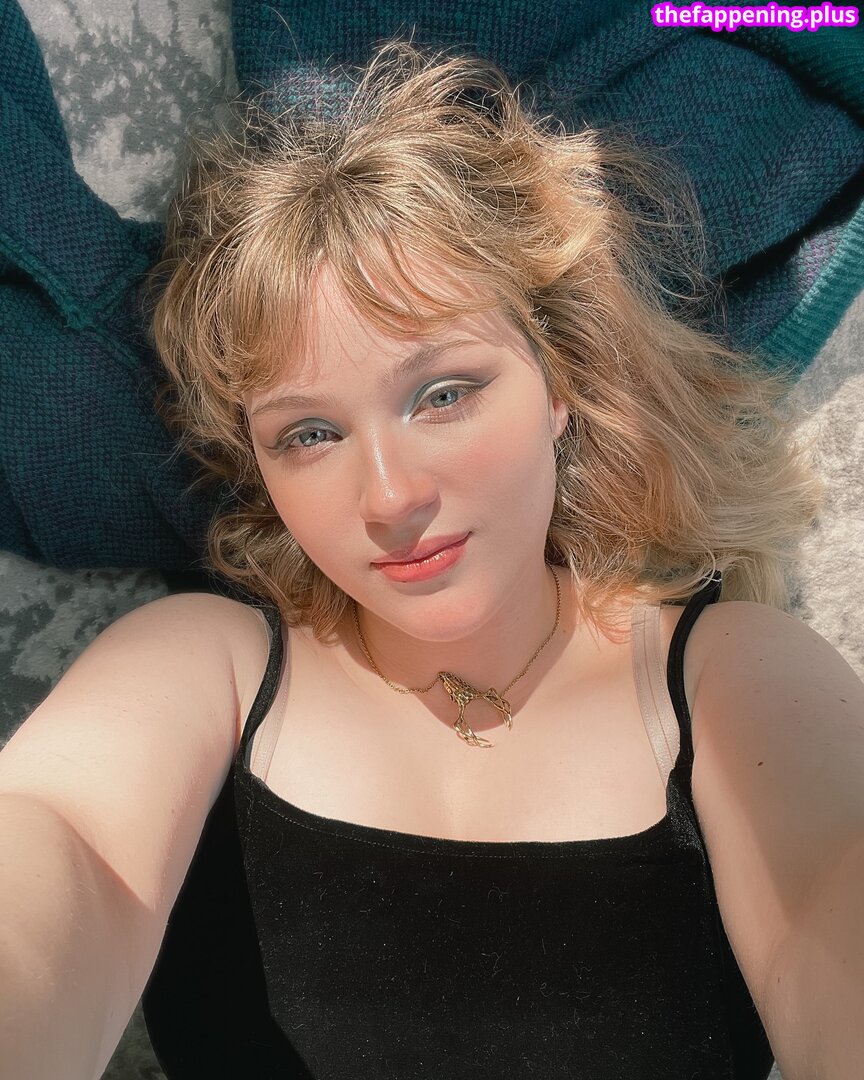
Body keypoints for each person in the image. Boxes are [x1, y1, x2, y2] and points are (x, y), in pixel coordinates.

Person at [1, 39, 862, 1080]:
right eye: (309, 433)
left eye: (443, 394)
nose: (390, 497)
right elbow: (58, 848)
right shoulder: (200, 670)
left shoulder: (731, 681)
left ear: (559, 384)